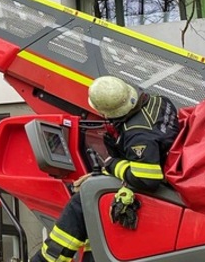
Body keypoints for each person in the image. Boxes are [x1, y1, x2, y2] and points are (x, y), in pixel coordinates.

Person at [31, 76, 179, 262]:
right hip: (168, 174)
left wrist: (111, 164)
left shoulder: (138, 135)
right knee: (96, 203)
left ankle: (47, 259)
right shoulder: (158, 101)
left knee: (83, 201)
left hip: (160, 190)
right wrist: (103, 174)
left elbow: (147, 178)